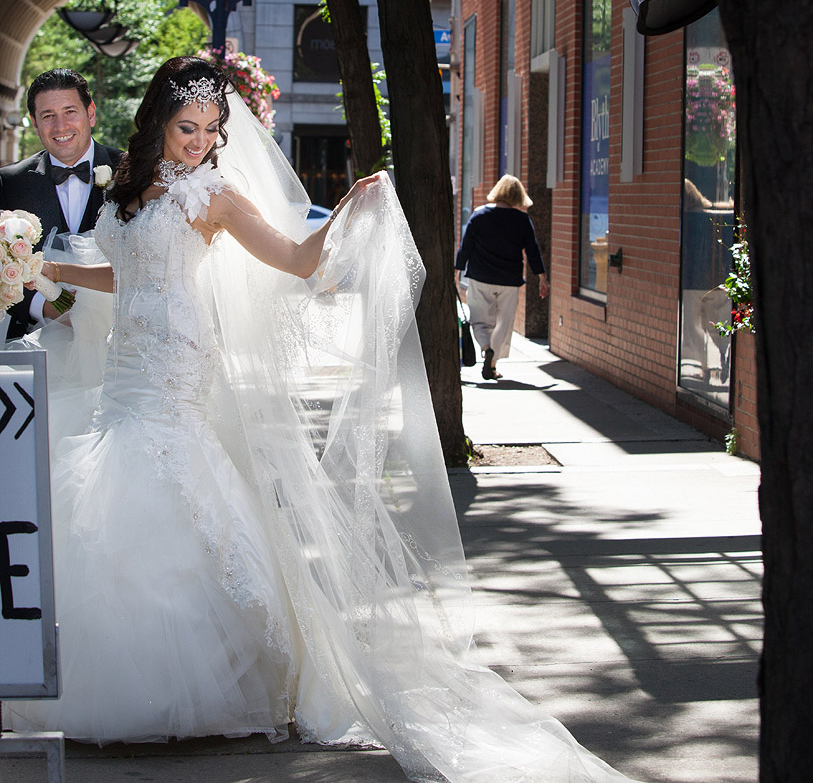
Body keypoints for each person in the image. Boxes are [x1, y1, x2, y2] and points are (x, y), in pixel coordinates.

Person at [7, 57, 637, 783]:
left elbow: (298, 262)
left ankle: (202, 687)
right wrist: (48, 269)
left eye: (212, 130)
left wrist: (346, 215)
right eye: (187, 128)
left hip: (176, 363)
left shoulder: (214, 193)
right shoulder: (131, 189)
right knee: (110, 509)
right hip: (125, 368)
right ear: (156, 121)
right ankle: (105, 671)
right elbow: (126, 275)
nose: (199, 142)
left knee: (173, 492)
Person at [0, 67, 122, 340]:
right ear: (34, 122)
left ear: (90, 113)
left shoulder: (131, 172)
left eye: (70, 112)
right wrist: (42, 307)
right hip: (37, 342)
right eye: (48, 116)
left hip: (122, 342)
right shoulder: (10, 183)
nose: (60, 126)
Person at [455, 175, 549, 380]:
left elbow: (466, 246)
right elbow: (533, 251)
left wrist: (457, 270)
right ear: (518, 195)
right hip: (509, 279)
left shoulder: (479, 215)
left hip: (480, 276)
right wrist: (542, 277)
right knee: (503, 324)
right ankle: (494, 362)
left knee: (480, 321)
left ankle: (486, 348)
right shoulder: (522, 220)